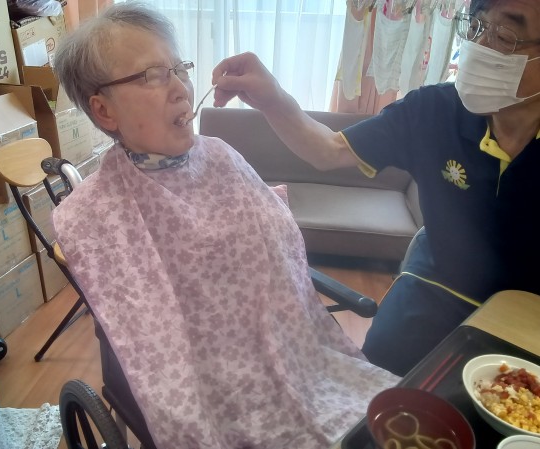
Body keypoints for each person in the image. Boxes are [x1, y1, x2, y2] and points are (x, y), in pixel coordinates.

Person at [51, 3, 398, 449]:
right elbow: (154, 350)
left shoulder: (222, 157)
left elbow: (280, 256)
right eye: (153, 75)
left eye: (180, 68)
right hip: (215, 397)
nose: (180, 87)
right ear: (104, 112)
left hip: (300, 364)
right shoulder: (93, 214)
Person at [211, 0, 540, 376]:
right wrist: (273, 100)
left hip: (528, 310)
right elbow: (328, 150)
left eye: (506, 36)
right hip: (437, 283)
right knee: (378, 377)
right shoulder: (433, 110)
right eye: (477, 27)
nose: (481, 48)